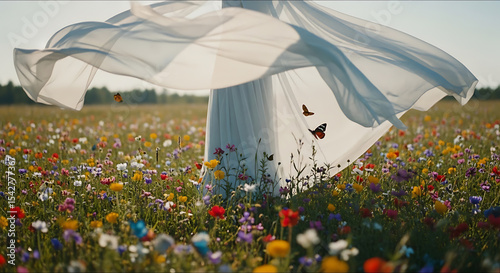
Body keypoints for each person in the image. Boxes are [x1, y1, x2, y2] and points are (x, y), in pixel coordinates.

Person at [14, 1, 477, 196]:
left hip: (254, 49)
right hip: (236, 53)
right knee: (243, 100)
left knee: (267, 93)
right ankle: (242, 188)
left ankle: (249, 188)